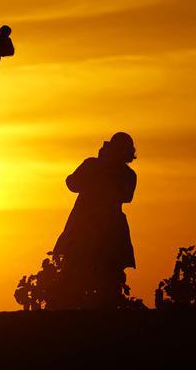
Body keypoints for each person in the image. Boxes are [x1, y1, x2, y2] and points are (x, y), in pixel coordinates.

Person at [52, 132, 138, 309]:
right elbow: (73, 184)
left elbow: (72, 183)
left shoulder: (96, 166)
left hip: (93, 226)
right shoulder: (125, 174)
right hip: (102, 226)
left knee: (100, 274)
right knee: (86, 273)